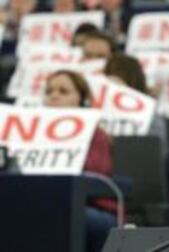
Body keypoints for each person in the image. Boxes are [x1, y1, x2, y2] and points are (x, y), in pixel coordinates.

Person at [44, 70, 117, 252]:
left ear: (82, 100)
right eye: (49, 91)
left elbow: (97, 175)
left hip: (92, 208)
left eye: (63, 91)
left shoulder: (96, 133)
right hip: (44, 201)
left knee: (55, 214)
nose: (54, 96)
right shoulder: (27, 133)